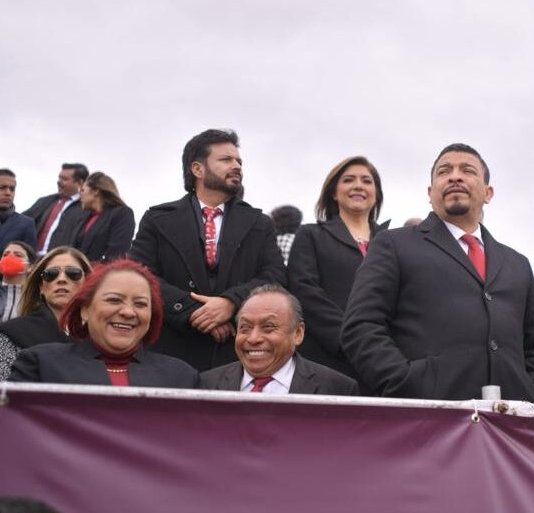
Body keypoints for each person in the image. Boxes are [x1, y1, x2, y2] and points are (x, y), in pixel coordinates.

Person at [342, 143, 534, 402]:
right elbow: (362, 326)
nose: (455, 176)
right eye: (444, 171)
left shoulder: (517, 264)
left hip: (511, 420)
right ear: (430, 192)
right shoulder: (394, 244)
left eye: (467, 170)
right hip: (429, 417)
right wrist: (404, 383)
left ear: (488, 193)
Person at [129, 129, 285, 371]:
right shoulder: (157, 219)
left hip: (235, 356)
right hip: (171, 353)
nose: (237, 166)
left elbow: (274, 276)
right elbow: (139, 274)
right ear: (197, 169)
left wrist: (231, 303)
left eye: (239, 161)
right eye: (226, 160)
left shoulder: (260, 223)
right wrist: (193, 312)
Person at [10, 259, 198, 388]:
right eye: (114, 300)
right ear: (85, 309)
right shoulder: (40, 365)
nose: (127, 312)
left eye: (140, 304)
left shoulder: (182, 377)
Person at [287, 156, 389, 381]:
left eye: (367, 181)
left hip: (386, 359)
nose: (358, 185)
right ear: (333, 192)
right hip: (330, 358)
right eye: (349, 180)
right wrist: (354, 338)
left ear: (376, 194)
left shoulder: (394, 240)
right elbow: (304, 290)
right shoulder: (311, 235)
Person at [200, 284, 358, 395]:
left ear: (298, 333)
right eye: (245, 328)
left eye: (268, 327)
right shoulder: (205, 385)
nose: (253, 339)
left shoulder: (337, 389)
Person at [0, 247, 92, 380]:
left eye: (73, 273)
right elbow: (1, 391)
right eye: (51, 274)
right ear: (41, 287)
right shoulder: (10, 334)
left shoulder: (101, 335)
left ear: (87, 283)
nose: (62, 279)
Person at [68, 171, 135, 262]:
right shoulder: (82, 218)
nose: (80, 195)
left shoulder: (122, 213)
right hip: (75, 273)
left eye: (83, 190)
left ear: (95, 191)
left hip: (101, 274)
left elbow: (116, 254)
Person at [23, 163, 89, 255]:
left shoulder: (86, 208)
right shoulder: (45, 201)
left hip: (60, 262)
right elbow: (21, 220)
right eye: (59, 178)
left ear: (80, 183)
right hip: (33, 260)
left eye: (65, 179)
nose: (59, 182)